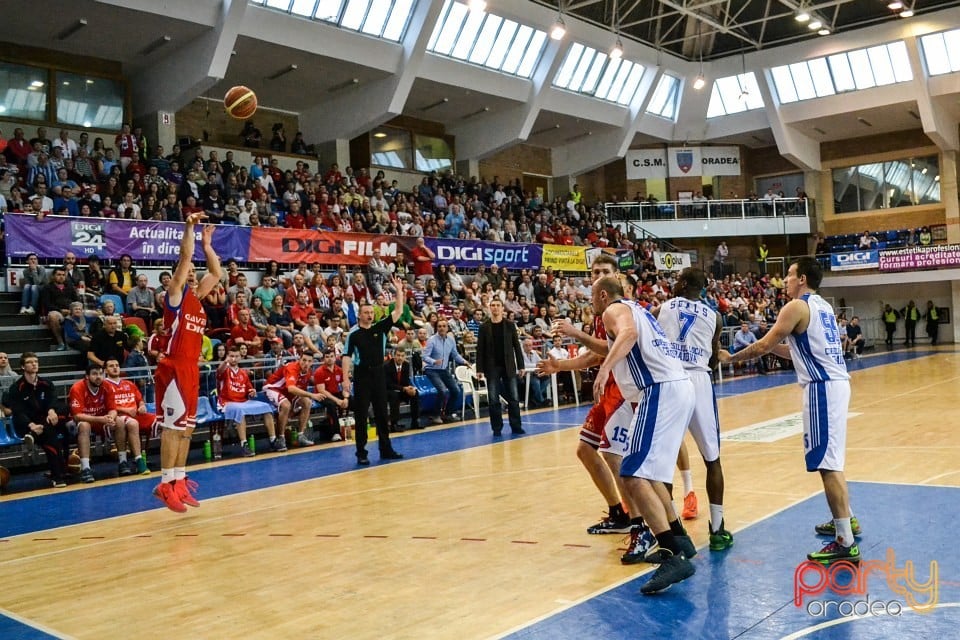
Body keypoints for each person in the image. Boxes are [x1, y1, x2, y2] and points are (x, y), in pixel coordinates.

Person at [720, 257, 858, 565]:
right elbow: (789, 348)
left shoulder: (795, 307)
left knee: (827, 464)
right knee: (832, 460)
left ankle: (844, 541)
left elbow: (763, 345)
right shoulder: (822, 305)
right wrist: (762, 346)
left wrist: (730, 358)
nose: (785, 280)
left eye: (790, 275)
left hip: (822, 388)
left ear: (803, 279)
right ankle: (847, 520)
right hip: (834, 384)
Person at [590, 276, 697, 594]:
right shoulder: (637, 308)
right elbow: (612, 344)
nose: (591, 302)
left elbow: (628, 334)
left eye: (593, 296)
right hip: (677, 387)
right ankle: (679, 538)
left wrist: (605, 368)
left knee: (633, 474)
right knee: (649, 475)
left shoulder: (613, 310)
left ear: (604, 295)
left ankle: (671, 554)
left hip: (659, 390)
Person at [544, 255, 636, 538]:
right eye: (594, 271)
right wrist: (559, 366)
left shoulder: (621, 309)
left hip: (623, 389)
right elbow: (594, 357)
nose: (598, 275)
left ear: (615, 276)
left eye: (604, 271)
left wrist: (574, 333)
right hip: (607, 389)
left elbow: (608, 350)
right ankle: (619, 512)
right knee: (586, 450)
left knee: (614, 454)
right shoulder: (599, 312)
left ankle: (638, 518)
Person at [652, 268, 733, 551]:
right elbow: (712, 358)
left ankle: (672, 529)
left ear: (684, 283)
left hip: (671, 380)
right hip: (699, 380)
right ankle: (718, 529)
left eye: (677, 280)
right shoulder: (715, 316)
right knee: (712, 459)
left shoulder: (662, 307)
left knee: (661, 464)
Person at [152, 213, 222, 513]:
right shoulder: (176, 296)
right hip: (173, 368)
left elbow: (216, 273)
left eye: (195, 271)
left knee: (187, 430)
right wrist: (190, 229)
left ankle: (179, 480)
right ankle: (164, 484)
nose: (193, 273)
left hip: (191, 368)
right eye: (189, 270)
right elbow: (183, 255)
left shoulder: (198, 298)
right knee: (172, 428)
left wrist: (207, 245)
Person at [341, 274, 408, 465]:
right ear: (360, 314)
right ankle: (361, 452)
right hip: (362, 375)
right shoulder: (353, 334)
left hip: (379, 373)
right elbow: (346, 357)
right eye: (366, 312)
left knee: (382, 413)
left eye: (372, 312)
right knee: (361, 414)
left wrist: (399, 291)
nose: (370, 315)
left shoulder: (380, 327)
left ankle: (386, 449)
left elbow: (398, 311)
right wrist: (346, 379)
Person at [5, 353, 70, 487]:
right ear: (23, 366)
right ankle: (58, 476)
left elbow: (53, 400)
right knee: (51, 437)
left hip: (46, 420)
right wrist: (32, 425)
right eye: (30, 362)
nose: (34, 364)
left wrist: (51, 410)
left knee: (63, 410)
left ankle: (59, 471)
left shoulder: (46, 383)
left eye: (36, 361)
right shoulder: (16, 388)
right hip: (27, 424)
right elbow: (18, 412)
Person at [217, 345, 281, 457]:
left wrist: (252, 391)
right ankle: (244, 444)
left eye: (236, 356)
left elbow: (249, 389)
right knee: (240, 411)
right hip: (227, 402)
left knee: (266, 407)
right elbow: (219, 370)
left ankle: (273, 440)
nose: (234, 359)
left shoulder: (243, 373)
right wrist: (225, 362)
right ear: (227, 357)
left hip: (243, 401)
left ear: (240, 358)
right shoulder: (225, 370)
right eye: (231, 356)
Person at [476, 298, 525, 437]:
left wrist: (521, 365)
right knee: (493, 400)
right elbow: (480, 349)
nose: (495, 308)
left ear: (502, 308)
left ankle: (516, 426)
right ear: (490, 308)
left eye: (498, 305)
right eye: (493, 305)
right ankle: (496, 428)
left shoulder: (510, 325)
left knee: (514, 398)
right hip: (491, 368)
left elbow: (517, 346)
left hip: (508, 365)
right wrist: (479, 369)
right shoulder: (484, 327)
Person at [103, 358, 153, 477]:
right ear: (105, 370)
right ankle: (132, 460)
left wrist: (142, 406)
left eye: (117, 365)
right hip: (117, 416)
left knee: (159, 421)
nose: (115, 368)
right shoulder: (104, 385)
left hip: (134, 415)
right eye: (111, 366)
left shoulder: (129, 383)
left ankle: (140, 459)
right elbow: (106, 405)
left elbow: (140, 400)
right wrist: (125, 410)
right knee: (132, 423)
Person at [262, 352, 323, 447]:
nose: (306, 363)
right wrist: (312, 395)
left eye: (309, 361)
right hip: (273, 388)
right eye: (304, 360)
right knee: (286, 405)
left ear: (312, 363)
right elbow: (291, 388)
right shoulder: (292, 368)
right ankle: (281, 438)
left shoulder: (308, 372)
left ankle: (301, 436)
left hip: (288, 392)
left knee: (307, 402)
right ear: (299, 359)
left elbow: (299, 390)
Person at [68, 363, 114, 484]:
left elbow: (113, 409)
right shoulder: (77, 387)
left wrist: (110, 418)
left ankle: (125, 461)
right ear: (87, 376)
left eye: (100, 374)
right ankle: (85, 468)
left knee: (121, 421)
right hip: (76, 423)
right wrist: (101, 419)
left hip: (100, 419)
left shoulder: (107, 386)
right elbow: (77, 416)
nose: (98, 377)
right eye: (94, 374)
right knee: (84, 425)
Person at [421, 318, 467, 425]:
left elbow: (455, 354)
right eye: (439, 326)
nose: (441, 328)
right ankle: (435, 415)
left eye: (444, 326)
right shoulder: (431, 340)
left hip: (444, 369)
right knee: (442, 390)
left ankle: (448, 414)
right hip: (431, 370)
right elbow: (424, 356)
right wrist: (434, 361)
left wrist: (464, 362)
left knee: (455, 390)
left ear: (447, 328)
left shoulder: (451, 340)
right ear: (436, 328)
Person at [311, 349, 349, 441]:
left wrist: (346, 398)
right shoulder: (319, 372)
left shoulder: (340, 370)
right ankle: (335, 433)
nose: (329, 359)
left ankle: (360, 427)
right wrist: (338, 401)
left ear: (335, 358)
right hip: (321, 395)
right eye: (327, 357)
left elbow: (345, 387)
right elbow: (322, 391)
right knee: (331, 404)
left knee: (354, 401)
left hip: (335, 393)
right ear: (323, 359)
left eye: (331, 356)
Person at [386, 349, 421, 432]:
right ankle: (394, 424)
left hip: (401, 389)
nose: (400, 358)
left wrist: (410, 388)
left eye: (402, 356)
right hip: (387, 390)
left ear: (405, 357)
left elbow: (405, 382)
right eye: (398, 355)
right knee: (394, 395)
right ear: (394, 356)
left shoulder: (406, 365)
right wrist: (403, 388)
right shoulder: (387, 366)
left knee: (415, 393)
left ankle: (415, 422)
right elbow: (388, 384)